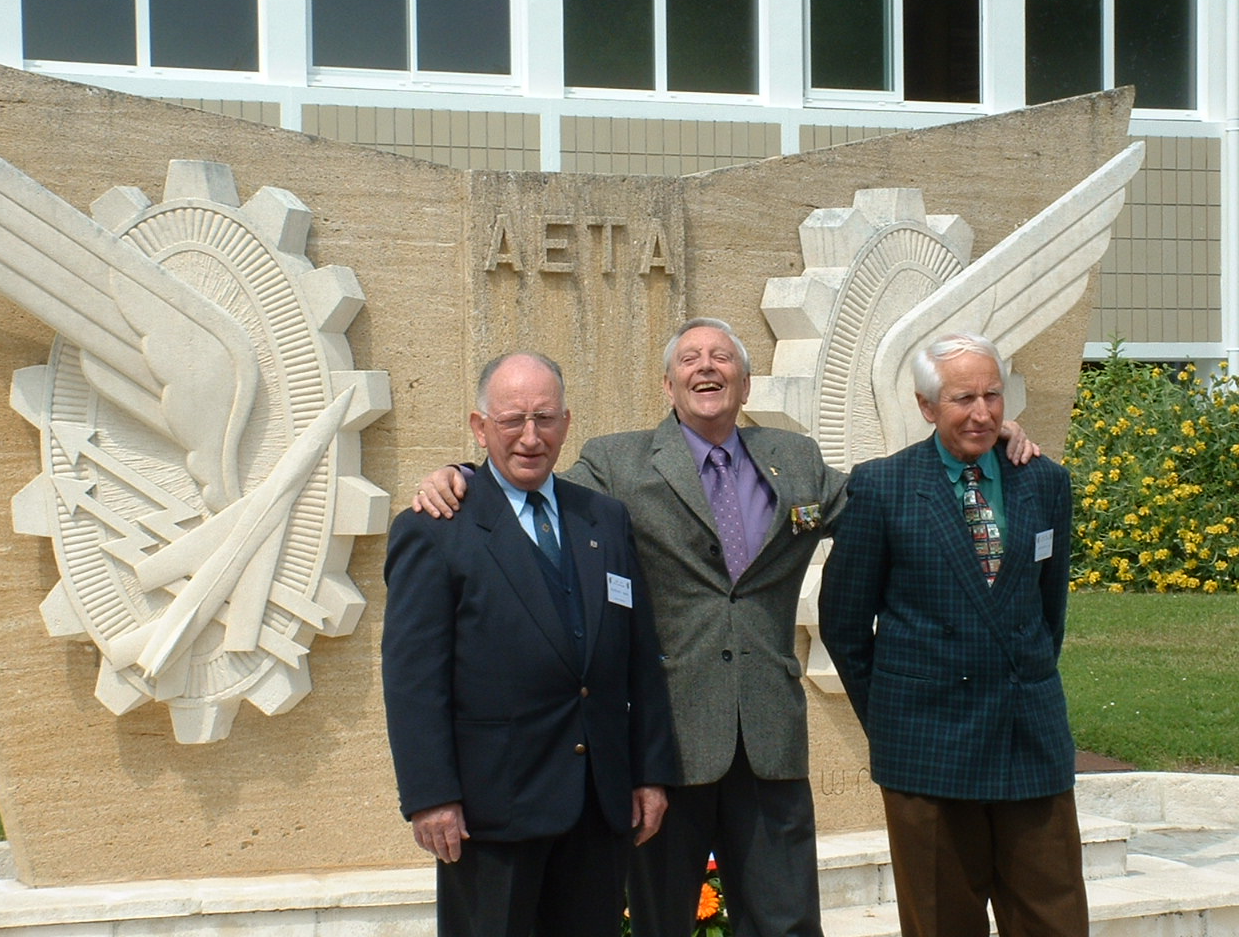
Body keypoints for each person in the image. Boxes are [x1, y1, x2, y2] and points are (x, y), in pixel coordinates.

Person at [414, 319, 1039, 937]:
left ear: (744, 384)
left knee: (788, 921)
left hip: (770, 736)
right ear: (667, 384)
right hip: (668, 747)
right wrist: (461, 474)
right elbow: (531, 488)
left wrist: (974, 433)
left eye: (721, 357)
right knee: (660, 921)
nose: (706, 366)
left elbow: (881, 504)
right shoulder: (617, 462)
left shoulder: (795, 458)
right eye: (689, 358)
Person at [382, 352, 676, 937]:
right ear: (479, 425)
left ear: (567, 423)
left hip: (596, 805)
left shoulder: (605, 519)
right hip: (492, 812)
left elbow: (640, 658)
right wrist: (431, 797)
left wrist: (648, 773)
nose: (530, 437)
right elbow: (414, 677)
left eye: (545, 419)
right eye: (512, 420)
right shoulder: (436, 527)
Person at [818, 332, 1087, 937]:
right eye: (964, 397)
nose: (984, 412)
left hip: (1029, 738)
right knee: (942, 921)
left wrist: (1021, 678)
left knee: (1055, 917)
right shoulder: (882, 487)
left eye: (993, 395)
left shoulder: (1042, 480)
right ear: (925, 406)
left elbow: (1049, 615)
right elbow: (844, 623)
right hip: (926, 744)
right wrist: (892, 716)